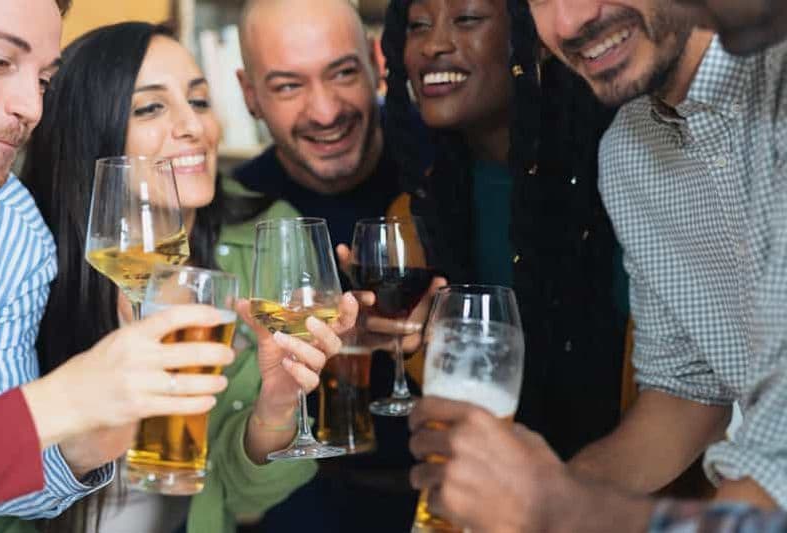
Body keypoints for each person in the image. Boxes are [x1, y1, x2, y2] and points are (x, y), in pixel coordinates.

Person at [408, 0, 787, 529]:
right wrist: (533, 492)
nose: (571, 22)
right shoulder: (629, 152)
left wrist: (561, 510)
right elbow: (685, 394)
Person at [0, 21, 358, 533]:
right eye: (151, 107)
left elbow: (245, 501)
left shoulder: (260, 242)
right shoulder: (19, 255)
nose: (194, 127)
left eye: (201, 101)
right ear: (90, 129)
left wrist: (276, 409)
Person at [0, 0, 235, 519]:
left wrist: (82, 443)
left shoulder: (14, 232)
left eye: (44, 83)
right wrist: (64, 400)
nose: (30, 108)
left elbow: (3, 483)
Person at [381, 0, 626, 460]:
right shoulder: (414, 215)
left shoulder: (622, 179)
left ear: (538, 42)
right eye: (417, 26)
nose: (434, 45)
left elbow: (685, 399)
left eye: (467, 19)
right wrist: (396, 342)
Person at [233, 1, 442, 531]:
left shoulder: (449, 168)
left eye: (342, 72)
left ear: (377, 62)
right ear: (250, 94)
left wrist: (442, 337)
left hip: (444, 499)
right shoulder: (235, 211)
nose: (325, 111)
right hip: (292, 508)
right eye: (287, 86)